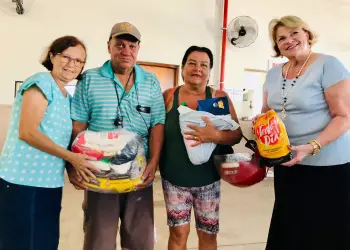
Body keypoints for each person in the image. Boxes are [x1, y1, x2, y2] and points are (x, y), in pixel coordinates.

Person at [67, 22, 165, 250]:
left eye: (132, 46)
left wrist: (154, 162)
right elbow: (77, 126)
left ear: (138, 49)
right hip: (97, 173)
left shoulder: (150, 81)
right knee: (99, 240)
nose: (126, 51)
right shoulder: (89, 79)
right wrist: (72, 165)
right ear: (109, 46)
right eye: (119, 45)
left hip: (139, 174)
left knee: (140, 241)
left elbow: (157, 125)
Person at [256, 15, 350, 250]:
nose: (289, 40)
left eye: (294, 33)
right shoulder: (272, 75)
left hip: (329, 167)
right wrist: (262, 133)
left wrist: (312, 147)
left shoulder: (329, 65)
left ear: (307, 33)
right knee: (291, 228)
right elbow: (266, 113)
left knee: (325, 232)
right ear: (276, 46)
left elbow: (344, 116)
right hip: (288, 163)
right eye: (281, 38)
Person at [0, 36, 96, 250]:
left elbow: (60, 139)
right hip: (22, 181)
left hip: (49, 182)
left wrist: (70, 168)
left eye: (79, 61)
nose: (72, 64)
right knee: (20, 243)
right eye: (66, 57)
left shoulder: (66, 97)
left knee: (44, 241)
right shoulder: (42, 82)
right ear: (52, 56)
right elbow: (27, 132)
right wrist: (72, 158)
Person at [160, 46, 243, 250]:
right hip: (174, 180)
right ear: (183, 68)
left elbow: (236, 134)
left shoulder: (218, 97)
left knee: (207, 235)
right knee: (178, 234)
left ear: (209, 71)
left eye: (203, 65)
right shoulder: (169, 96)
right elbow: (156, 134)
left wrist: (216, 135)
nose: (197, 68)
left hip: (209, 180)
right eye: (192, 63)